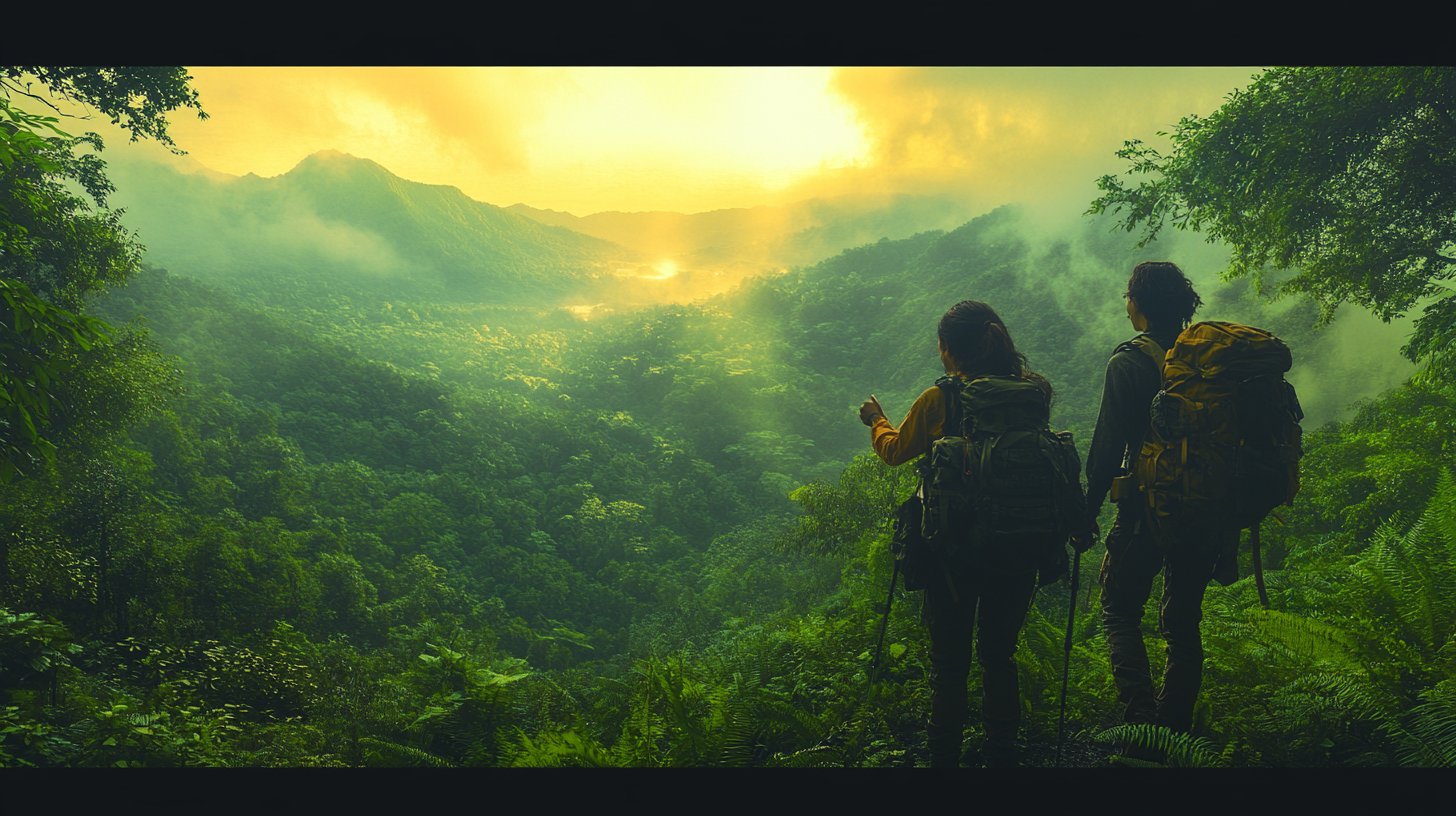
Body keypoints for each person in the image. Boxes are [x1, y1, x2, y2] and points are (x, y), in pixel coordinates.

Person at [858, 300, 1053, 768]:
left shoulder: (939, 399)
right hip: (1018, 545)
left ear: (948, 350)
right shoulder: (1034, 392)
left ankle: (943, 755)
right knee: (999, 656)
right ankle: (1002, 752)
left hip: (953, 552)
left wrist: (876, 421)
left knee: (950, 664)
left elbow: (896, 452)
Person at [1072, 261, 1235, 733]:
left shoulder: (1130, 362)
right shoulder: (1210, 361)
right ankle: (1176, 726)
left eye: (1128, 296)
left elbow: (1106, 447)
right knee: (1183, 622)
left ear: (1137, 304)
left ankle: (1141, 721)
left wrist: (1087, 511)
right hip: (1207, 509)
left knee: (1119, 610)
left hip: (1146, 509)